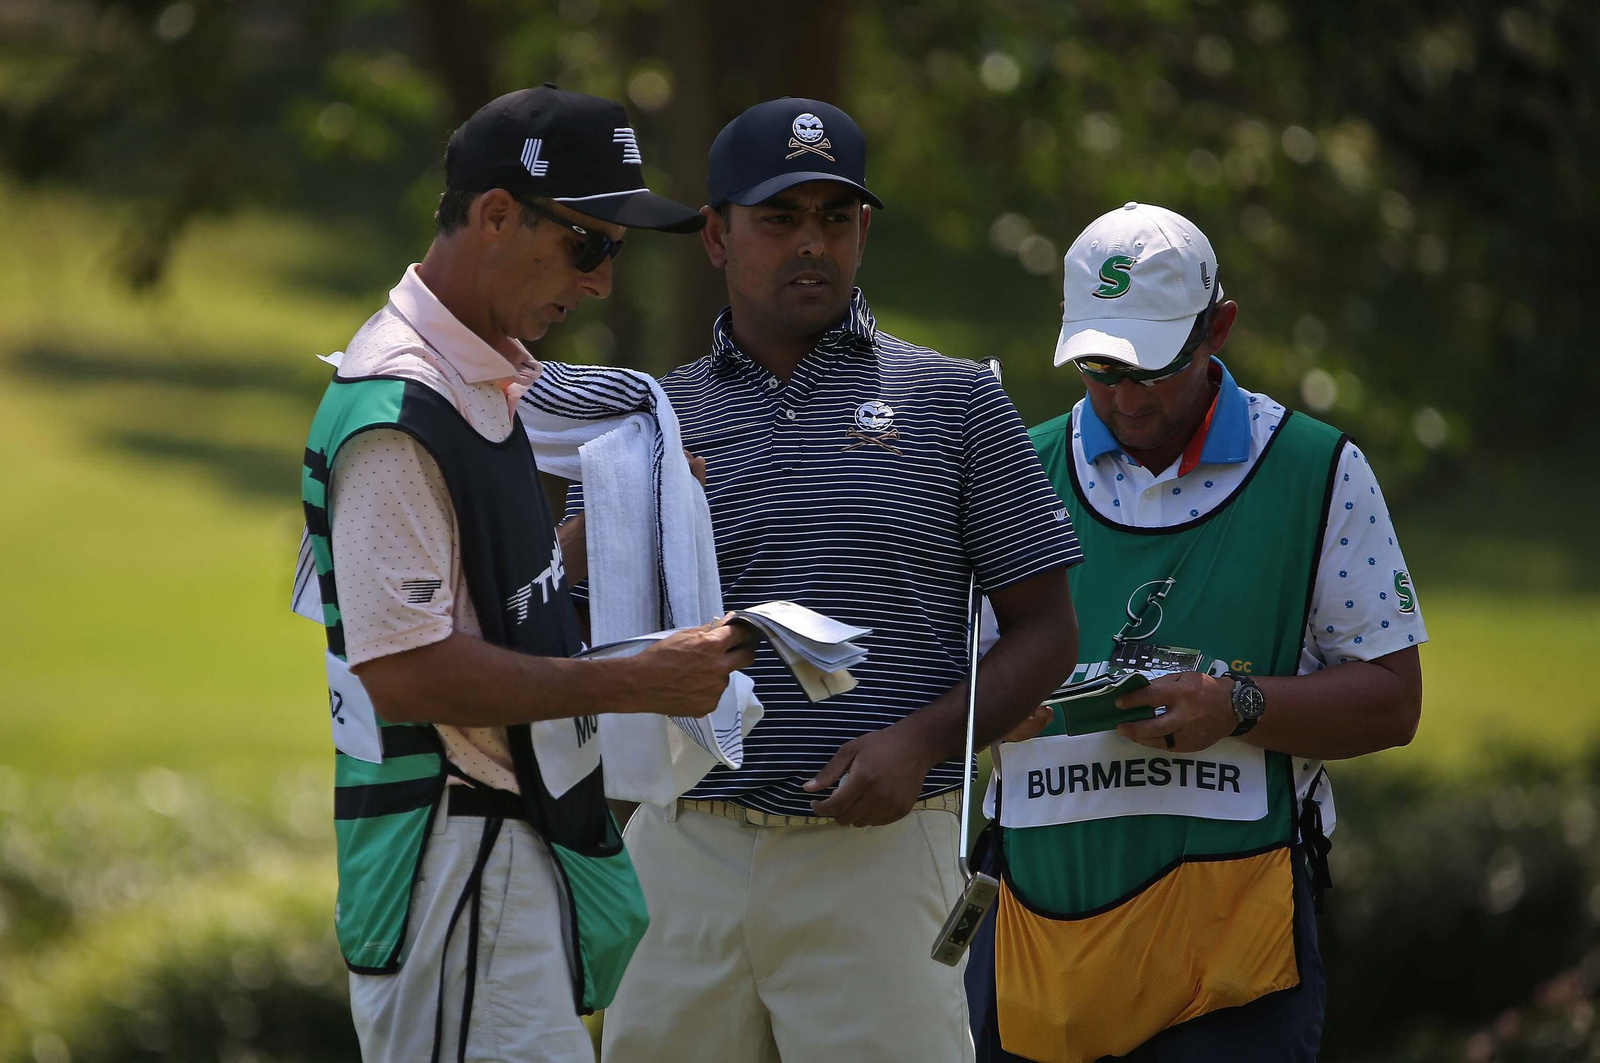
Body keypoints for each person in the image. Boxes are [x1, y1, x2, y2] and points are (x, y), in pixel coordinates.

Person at [590, 98, 1083, 1063]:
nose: (811, 243)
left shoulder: (954, 399)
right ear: (716, 236)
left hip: (883, 858)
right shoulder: (653, 416)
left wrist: (922, 742)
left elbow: (1048, 631)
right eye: (779, 218)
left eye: (836, 217)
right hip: (685, 847)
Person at [298, 85, 755, 1063]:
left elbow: (484, 591)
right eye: (588, 245)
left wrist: (640, 524)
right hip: (455, 863)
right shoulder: (400, 409)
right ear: (497, 214)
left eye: (616, 254)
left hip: (505, 853)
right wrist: (640, 677)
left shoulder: (479, 378)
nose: (599, 284)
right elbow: (408, 671)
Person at [964, 202, 1427, 1063]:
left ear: (1219, 327)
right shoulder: (1012, 469)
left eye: (1153, 366)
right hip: (1035, 944)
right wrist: (988, 708)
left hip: (1231, 954)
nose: (1125, 395)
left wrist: (1236, 704)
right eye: (1100, 365)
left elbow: (1394, 701)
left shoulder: (1319, 469)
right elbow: (928, 701)